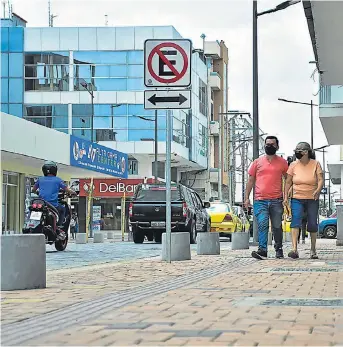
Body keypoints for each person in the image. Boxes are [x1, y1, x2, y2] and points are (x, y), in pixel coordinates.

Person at [244, 136, 289, 260]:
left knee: (276, 226)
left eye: (272, 144)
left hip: (277, 200)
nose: (269, 146)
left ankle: (278, 249)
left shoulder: (283, 163)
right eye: (267, 144)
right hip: (260, 200)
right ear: (264, 146)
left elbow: (288, 179)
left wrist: (286, 196)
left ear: (277, 147)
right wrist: (246, 197)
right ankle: (262, 250)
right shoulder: (257, 162)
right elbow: (250, 181)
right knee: (262, 223)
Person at [284, 142, 324, 259]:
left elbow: (320, 179)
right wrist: (285, 197)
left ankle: (313, 249)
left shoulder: (315, 164)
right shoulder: (293, 165)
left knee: (312, 223)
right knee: (295, 220)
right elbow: (288, 182)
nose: (297, 153)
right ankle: (294, 249)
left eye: (299, 151)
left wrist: (318, 190)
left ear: (306, 152)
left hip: (312, 198)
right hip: (297, 198)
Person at [32, 161, 76, 231]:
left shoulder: (40, 179)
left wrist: (38, 192)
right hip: (52, 204)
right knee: (62, 209)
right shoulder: (58, 180)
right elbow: (67, 189)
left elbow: (33, 190)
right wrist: (74, 192)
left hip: (41, 203)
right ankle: (59, 226)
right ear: (55, 170)